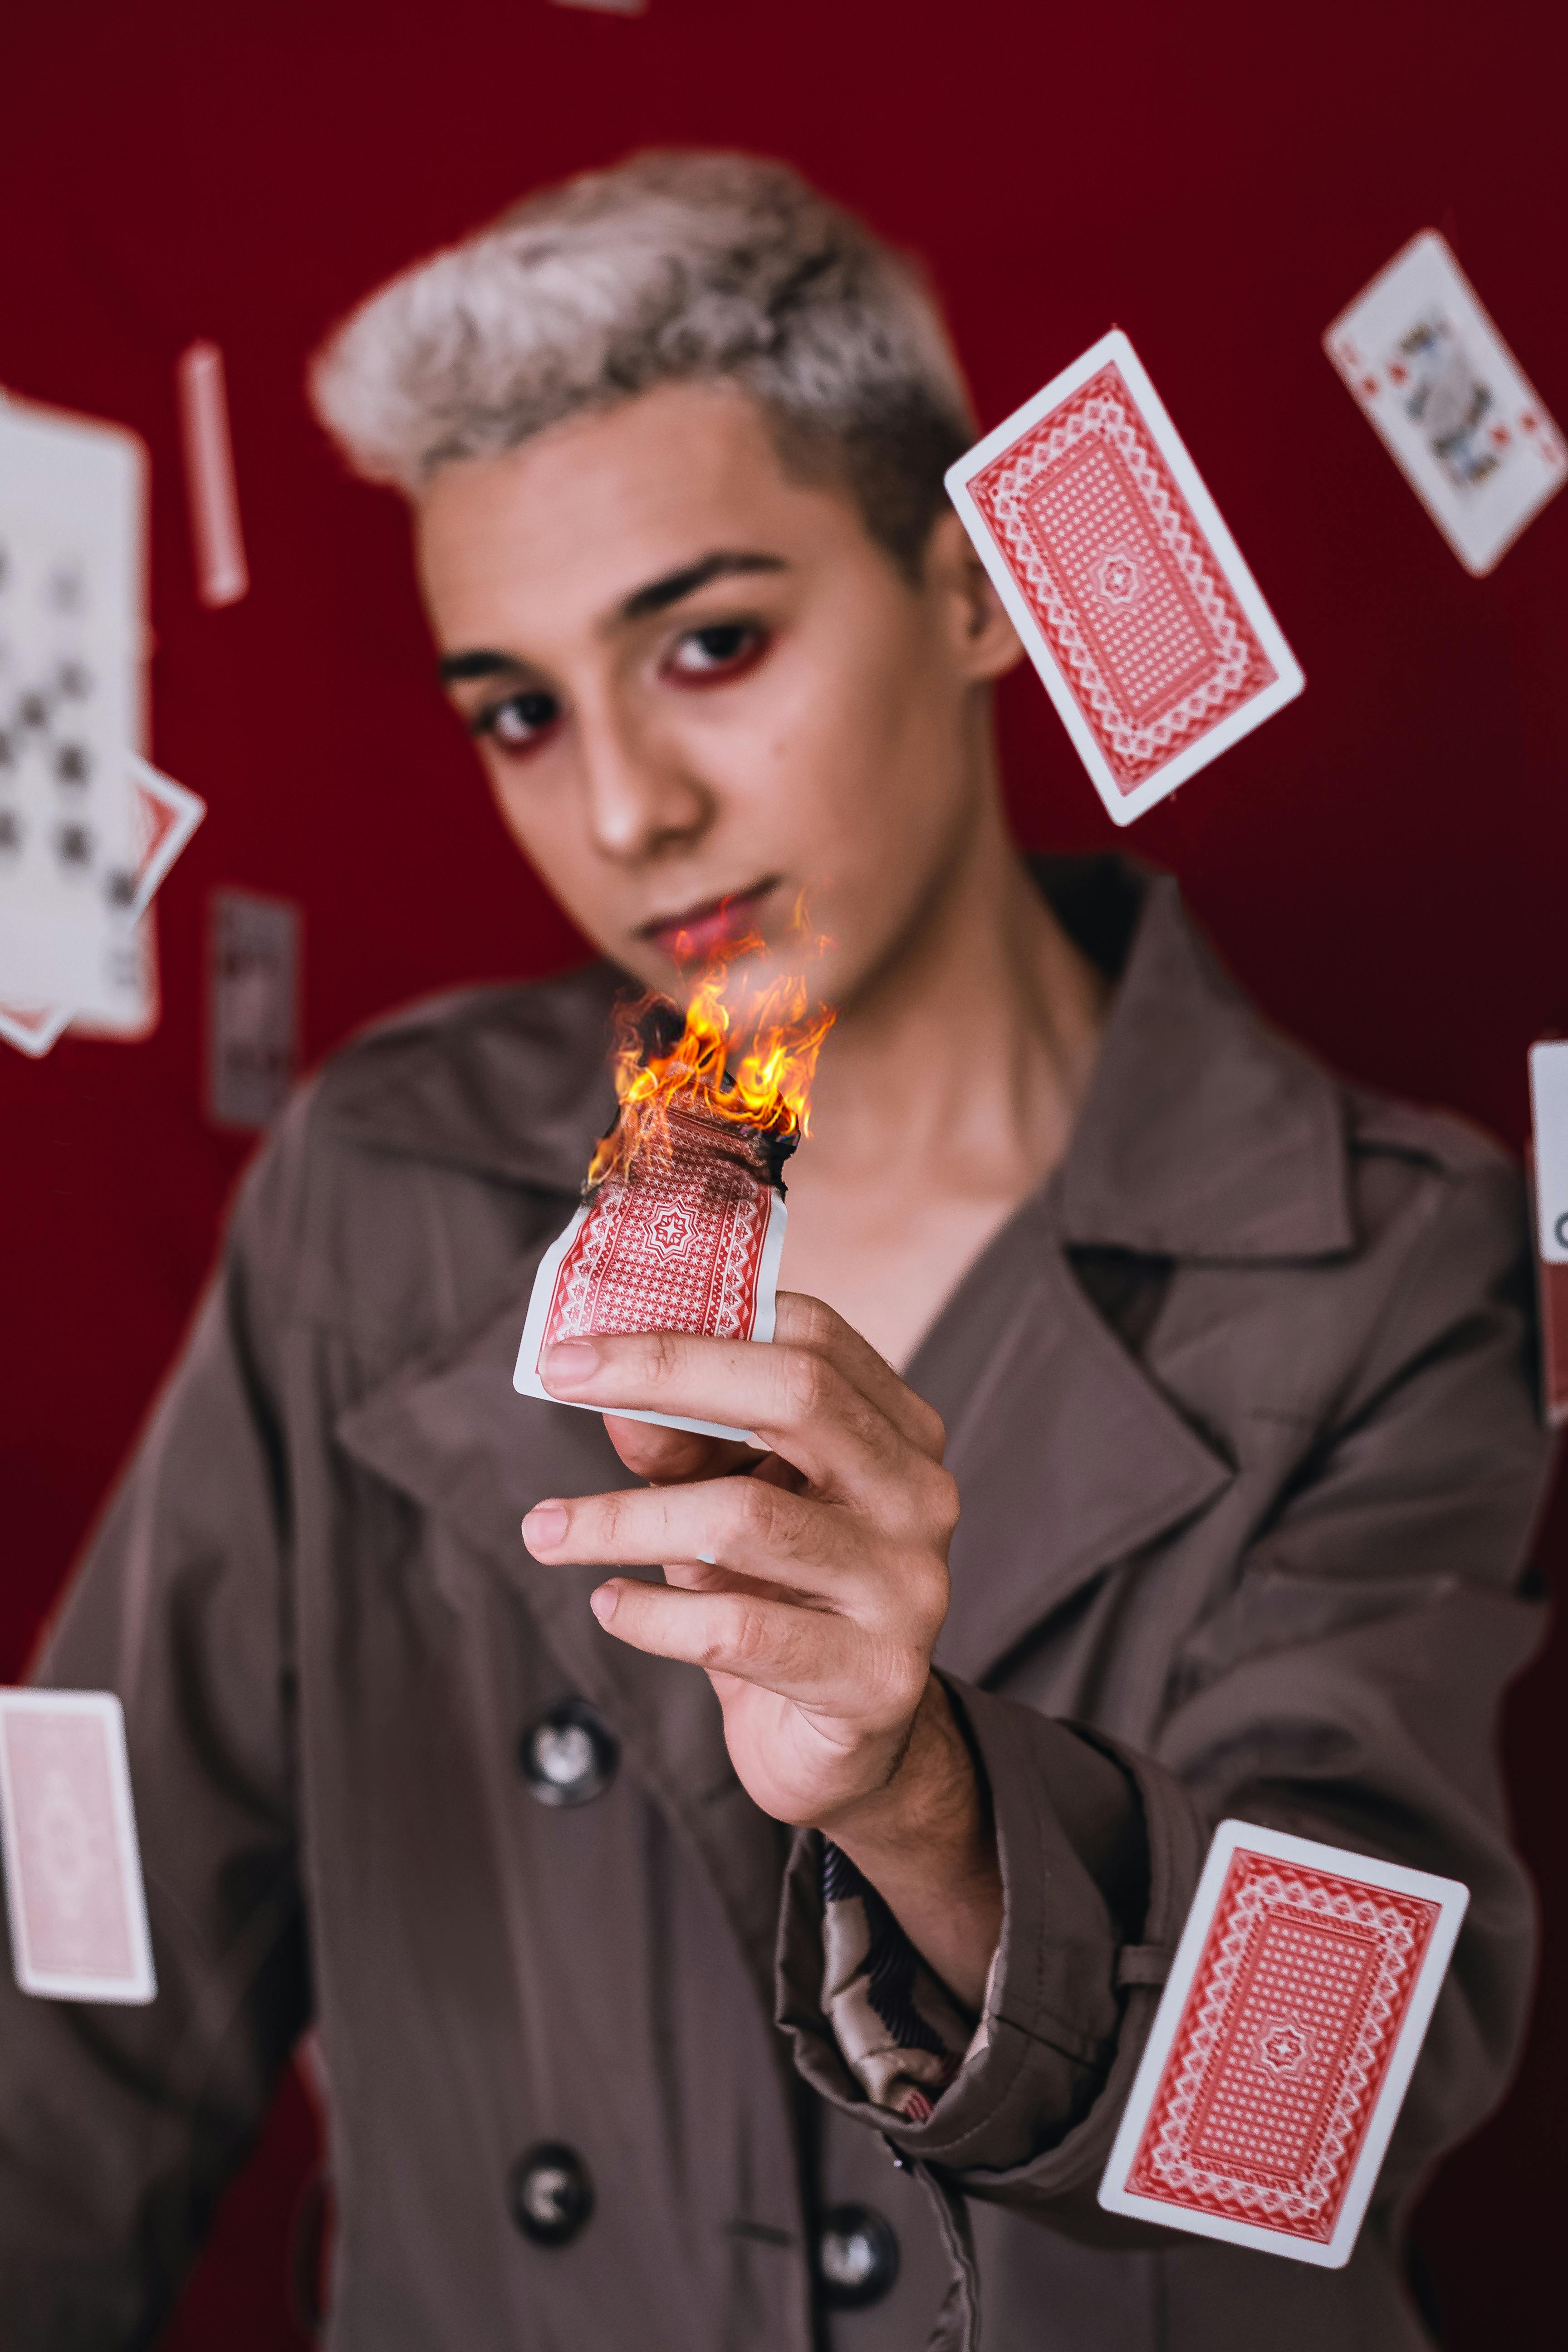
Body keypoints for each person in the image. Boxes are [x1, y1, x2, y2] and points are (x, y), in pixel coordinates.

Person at [0, 151, 1553, 2352]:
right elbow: (82, 2011)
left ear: (973, 591)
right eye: (521, 711)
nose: (625, 809)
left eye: (711, 642)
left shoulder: (1380, 1252)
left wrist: (923, 1792)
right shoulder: (388, 1177)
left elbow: (1346, 2090)